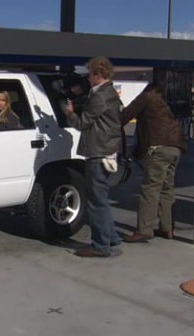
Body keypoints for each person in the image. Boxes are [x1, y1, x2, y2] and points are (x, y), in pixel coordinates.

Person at [63, 57, 123, 258]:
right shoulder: (110, 92)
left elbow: (82, 124)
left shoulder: (99, 96)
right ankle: (112, 239)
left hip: (98, 152)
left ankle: (100, 246)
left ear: (98, 75)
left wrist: (70, 113)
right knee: (101, 199)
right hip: (107, 151)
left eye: (89, 74)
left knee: (96, 201)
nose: (87, 78)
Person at [119, 83, 187, 243]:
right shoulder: (162, 103)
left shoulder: (146, 97)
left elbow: (123, 117)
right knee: (167, 188)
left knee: (150, 188)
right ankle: (167, 228)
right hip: (176, 148)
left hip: (159, 148)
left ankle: (144, 230)